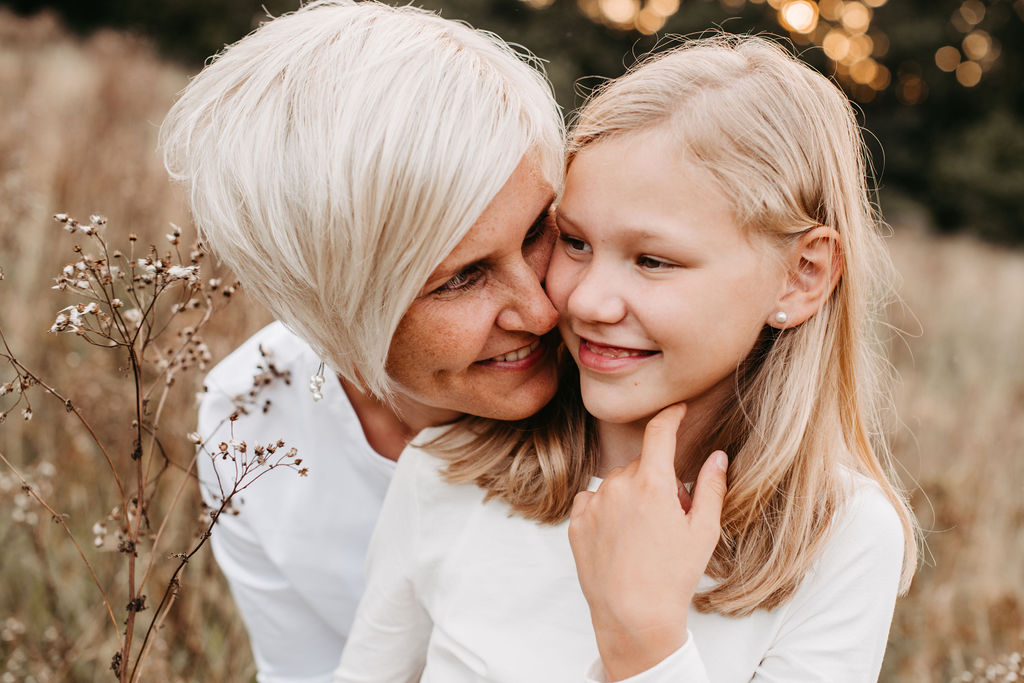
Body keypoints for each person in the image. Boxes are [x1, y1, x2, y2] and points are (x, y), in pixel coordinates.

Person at [334, 34, 919, 682]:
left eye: (652, 260)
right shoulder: (448, 473)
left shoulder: (839, 534)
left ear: (802, 275)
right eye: (576, 242)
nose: (586, 300)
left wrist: (646, 646)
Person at [158, 2, 565, 681]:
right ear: (333, 314)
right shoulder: (251, 424)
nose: (542, 310)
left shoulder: (641, 385)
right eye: (463, 278)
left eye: (536, 231)